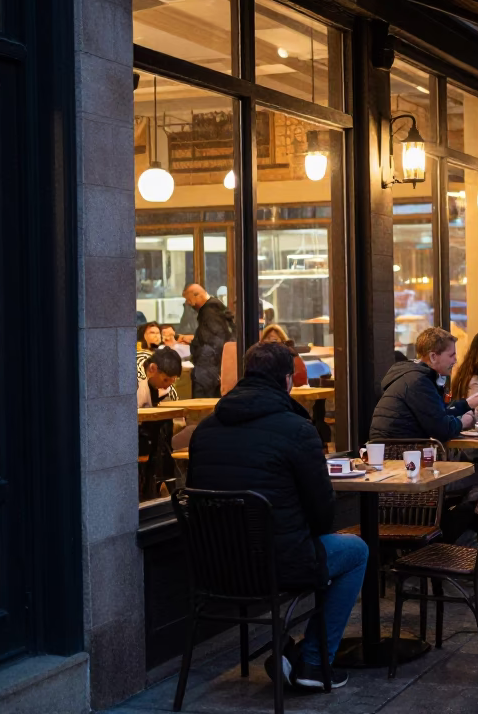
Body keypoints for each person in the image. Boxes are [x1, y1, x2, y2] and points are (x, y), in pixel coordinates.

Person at [187, 342, 366, 690]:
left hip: (214, 567)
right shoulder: (297, 430)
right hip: (276, 565)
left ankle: (285, 650)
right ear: (287, 381)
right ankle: (314, 664)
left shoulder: (206, 429)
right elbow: (322, 514)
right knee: (356, 551)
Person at [370, 327, 478, 442]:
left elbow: (439, 414)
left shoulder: (417, 377)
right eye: (451, 355)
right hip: (398, 453)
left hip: (396, 450)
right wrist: (464, 422)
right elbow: (442, 429)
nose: (455, 360)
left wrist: (466, 404)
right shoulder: (418, 381)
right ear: (433, 357)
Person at [137, 348, 183, 499]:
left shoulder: (165, 386)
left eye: (172, 381)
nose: (168, 385)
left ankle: (159, 485)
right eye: (165, 380)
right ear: (152, 369)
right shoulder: (135, 382)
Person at [182, 283, 234, 398]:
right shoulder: (213, 309)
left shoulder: (210, 311)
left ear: (197, 295)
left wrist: (203, 363)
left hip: (207, 370)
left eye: (188, 299)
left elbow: (214, 341)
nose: (187, 303)